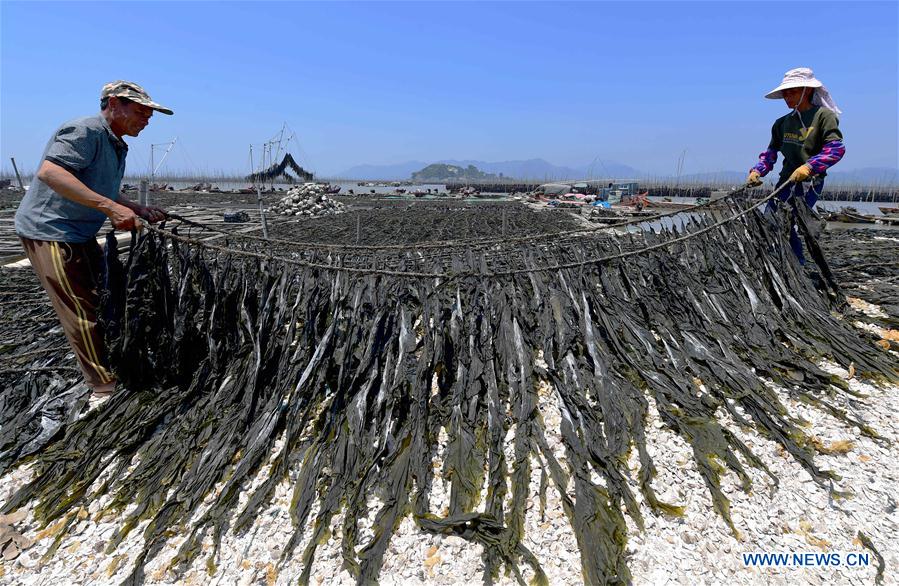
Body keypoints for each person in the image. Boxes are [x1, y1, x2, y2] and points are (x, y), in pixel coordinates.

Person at [14, 80, 173, 397]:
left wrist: (135, 207)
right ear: (114, 104)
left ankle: (112, 365)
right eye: (141, 111)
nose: (146, 119)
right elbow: (51, 173)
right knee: (80, 310)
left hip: (80, 232)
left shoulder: (116, 142)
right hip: (51, 231)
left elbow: (103, 187)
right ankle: (103, 387)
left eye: (149, 115)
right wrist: (109, 207)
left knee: (104, 299)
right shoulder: (84, 130)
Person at [746, 67, 845, 263]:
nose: (787, 97)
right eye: (785, 93)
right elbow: (771, 153)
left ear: (806, 91)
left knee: (789, 221)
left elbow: (836, 149)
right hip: (786, 180)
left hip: (810, 182)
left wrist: (810, 166)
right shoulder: (782, 123)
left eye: (792, 92)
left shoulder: (823, 116)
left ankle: (797, 264)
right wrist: (758, 170)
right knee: (771, 219)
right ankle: (780, 262)